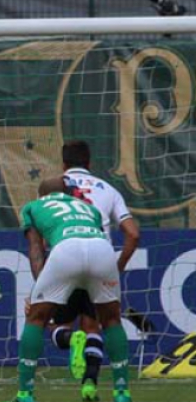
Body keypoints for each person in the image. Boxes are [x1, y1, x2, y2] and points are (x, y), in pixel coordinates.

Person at [7, 177, 131, 402]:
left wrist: (39, 292)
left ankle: (25, 394)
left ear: (40, 196)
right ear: (69, 193)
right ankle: (122, 391)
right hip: (102, 250)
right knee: (112, 320)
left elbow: (36, 248)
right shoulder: (89, 208)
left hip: (66, 249)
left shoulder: (32, 208)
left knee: (36, 318)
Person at [49, 140, 140, 381]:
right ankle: (95, 384)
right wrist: (116, 266)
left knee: (46, 322)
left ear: (63, 163)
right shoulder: (109, 190)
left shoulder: (54, 189)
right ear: (89, 163)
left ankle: (69, 339)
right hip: (100, 258)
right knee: (97, 324)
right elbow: (132, 233)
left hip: (66, 257)